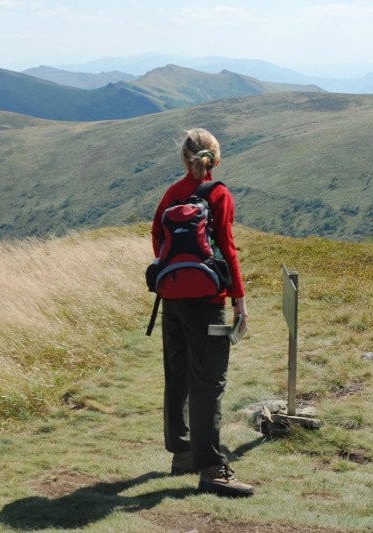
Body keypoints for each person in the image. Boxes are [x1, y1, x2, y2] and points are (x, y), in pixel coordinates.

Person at [150, 128, 253, 497]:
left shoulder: (172, 193)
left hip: (172, 298)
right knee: (208, 381)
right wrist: (238, 299)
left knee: (177, 374)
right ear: (216, 157)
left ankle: (181, 453)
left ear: (184, 158)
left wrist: (176, 276)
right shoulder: (218, 193)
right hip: (208, 301)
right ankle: (211, 468)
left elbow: (157, 238)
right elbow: (227, 247)